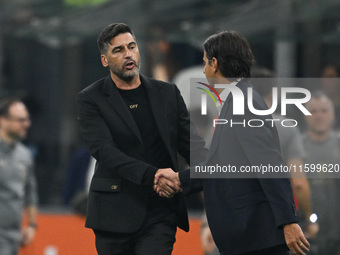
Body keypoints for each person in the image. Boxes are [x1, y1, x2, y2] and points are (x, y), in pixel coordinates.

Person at [155, 31, 310, 255]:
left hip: (257, 238)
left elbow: (269, 163)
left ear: (215, 63)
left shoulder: (243, 102)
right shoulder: (235, 100)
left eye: (205, 63)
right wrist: (179, 179)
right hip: (249, 238)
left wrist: (288, 221)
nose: (204, 70)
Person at [76, 23, 207, 255]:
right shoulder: (91, 99)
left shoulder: (168, 93)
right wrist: (154, 175)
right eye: (118, 50)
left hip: (160, 211)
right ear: (104, 60)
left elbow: (193, 148)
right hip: (113, 212)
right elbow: (105, 151)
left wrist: (183, 180)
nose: (128, 54)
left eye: (132, 46)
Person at [303, 91, 340, 254]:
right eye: (313, 111)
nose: (319, 116)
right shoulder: (296, 149)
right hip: (305, 232)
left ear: (333, 115)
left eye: (324, 111)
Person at [0, 97, 38, 255]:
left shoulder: (24, 155)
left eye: (27, 120)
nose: (26, 124)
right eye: (20, 120)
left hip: (13, 238)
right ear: (3, 120)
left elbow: (30, 192)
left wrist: (31, 224)